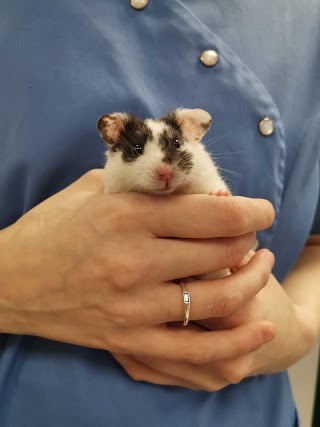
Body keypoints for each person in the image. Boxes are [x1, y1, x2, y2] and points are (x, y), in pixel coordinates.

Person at [0, 1, 319, 426]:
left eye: (172, 153)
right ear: (114, 142)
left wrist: (297, 330)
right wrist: (14, 283)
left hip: (247, 401)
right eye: (137, 153)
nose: (162, 170)